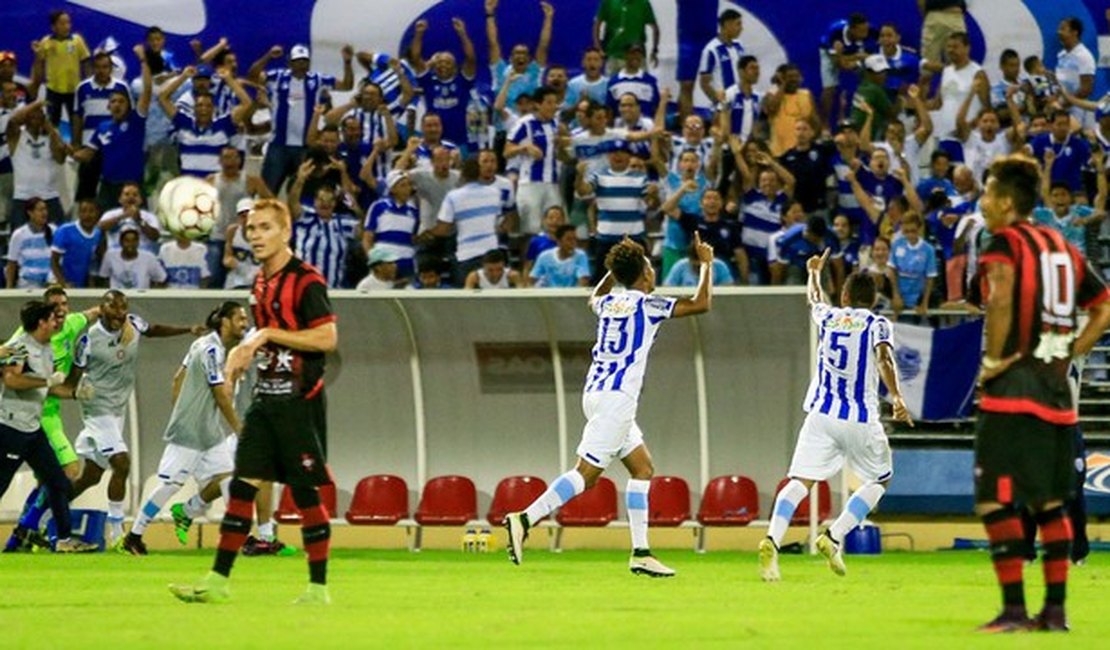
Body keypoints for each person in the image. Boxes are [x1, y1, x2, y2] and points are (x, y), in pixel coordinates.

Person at [504, 234, 715, 576]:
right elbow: (701, 303)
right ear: (646, 275)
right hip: (617, 400)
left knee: (643, 468)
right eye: (649, 267)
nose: (652, 272)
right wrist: (706, 262)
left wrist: (612, 271)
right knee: (585, 476)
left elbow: (595, 296)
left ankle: (641, 553)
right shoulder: (649, 305)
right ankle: (525, 518)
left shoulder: (609, 304)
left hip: (595, 394)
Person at [171, 198, 338, 605]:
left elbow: (326, 339)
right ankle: (216, 582)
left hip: (300, 403)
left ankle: (318, 589)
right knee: (242, 486)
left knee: (304, 494)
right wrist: (242, 358)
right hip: (265, 402)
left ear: (286, 232)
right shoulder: (260, 283)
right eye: (251, 229)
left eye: (265, 227)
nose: (256, 236)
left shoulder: (307, 281)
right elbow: (266, 338)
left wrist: (263, 337)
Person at [973, 155, 1110, 632]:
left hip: (1013, 391)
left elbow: (1003, 296)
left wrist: (993, 363)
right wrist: (1069, 354)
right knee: (1050, 503)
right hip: (1057, 393)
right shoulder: (1064, 247)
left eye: (989, 193)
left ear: (1007, 201)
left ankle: (1012, 609)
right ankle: (1055, 612)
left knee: (994, 499)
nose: (984, 201)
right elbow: (1104, 308)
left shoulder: (1005, 243)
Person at [762, 253, 912, 581]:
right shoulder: (877, 323)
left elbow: (814, 297)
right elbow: (884, 359)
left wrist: (813, 272)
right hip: (859, 417)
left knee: (800, 482)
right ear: (873, 301)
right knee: (880, 479)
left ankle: (772, 540)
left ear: (844, 297)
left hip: (820, 415)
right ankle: (834, 535)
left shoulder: (829, 317)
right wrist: (897, 397)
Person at [70, 290, 201, 544]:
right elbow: (71, 381)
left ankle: (47, 511)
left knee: (92, 476)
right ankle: (118, 531)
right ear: (102, 309)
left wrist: (188, 329)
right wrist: (74, 391)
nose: (120, 313)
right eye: (114, 308)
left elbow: (154, 329)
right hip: (97, 410)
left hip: (117, 411)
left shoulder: (133, 324)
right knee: (122, 463)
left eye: (123, 308)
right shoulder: (89, 340)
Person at [120, 302, 250, 555]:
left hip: (209, 432)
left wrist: (181, 407)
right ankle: (133, 537)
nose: (245, 324)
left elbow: (178, 377)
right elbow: (220, 395)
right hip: (191, 432)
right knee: (169, 485)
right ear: (225, 322)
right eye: (240, 319)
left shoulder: (202, 344)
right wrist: (238, 427)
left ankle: (235, 536)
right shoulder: (211, 349)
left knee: (228, 478)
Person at [2, 287, 99, 553]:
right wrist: (46, 380)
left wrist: (75, 393)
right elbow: (11, 379)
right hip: (11, 427)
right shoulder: (19, 346)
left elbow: (50, 388)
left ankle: (64, 540)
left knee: (58, 481)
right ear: (41, 322)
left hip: (33, 429)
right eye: (50, 317)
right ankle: (29, 534)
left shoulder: (46, 349)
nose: (57, 320)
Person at [249, 43, 353, 194]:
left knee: (303, 191)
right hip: (278, 144)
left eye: (305, 60)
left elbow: (346, 85)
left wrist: (347, 63)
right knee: (268, 191)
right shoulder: (277, 77)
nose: (302, 64)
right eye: (298, 60)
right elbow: (252, 76)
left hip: (306, 146)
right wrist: (268, 56)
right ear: (290, 62)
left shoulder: (318, 80)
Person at [72, 44, 152, 211]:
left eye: (121, 102)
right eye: (113, 102)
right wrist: (66, 148)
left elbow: (147, 91)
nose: (117, 105)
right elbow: (86, 155)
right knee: (104, 227)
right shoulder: (102, 128)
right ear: (108, 106)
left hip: (133, 186)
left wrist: (143, 60)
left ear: (129, 104)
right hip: (108, 187)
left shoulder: (136, 122)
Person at [423, 157, 503, 283]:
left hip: (467, 255)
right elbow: (497, 221)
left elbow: (443, 229)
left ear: (462, 174)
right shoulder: (495, 193)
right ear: (479, 173)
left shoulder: (453, 196)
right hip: (492, 253)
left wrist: (425, 233)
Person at [504, 86, 565, 239]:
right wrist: (525, 147)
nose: (553, 107)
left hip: (553, 183)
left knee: (556, 229)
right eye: (549, 103)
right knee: (531, 231)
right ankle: (528, 262)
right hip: (530, 183)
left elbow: (564, 155)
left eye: (555, 103)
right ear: (538, 104)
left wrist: (562, 145)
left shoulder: (557, 125)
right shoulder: (524, 123)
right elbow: (506, 151)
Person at [409, 18, 477, 148]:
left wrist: (462, 34)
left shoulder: (462, 81)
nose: (443, 65)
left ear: (455, 67)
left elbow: (471, 58)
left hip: (459, 141)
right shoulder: (428, 81)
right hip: (434, 142)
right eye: (439, 62)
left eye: (447, 62)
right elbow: (416, 58)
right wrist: (419, 34)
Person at [73, 52, 132, 201]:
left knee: (115, 190)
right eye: (98, 67)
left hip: (114, 148)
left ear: (111, 68)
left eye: (105, 67)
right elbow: (78, 117)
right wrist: (76, 144)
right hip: (89, 149)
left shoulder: (121, 87)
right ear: (93, 68)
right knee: (87, 194)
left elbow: (129, 117)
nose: (101, 70)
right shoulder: (82, 88)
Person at [6, 99, 66, 227]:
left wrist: (49, 128)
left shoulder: (51, 136)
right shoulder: (16, 136)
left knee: (56, 239)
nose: (36, 118)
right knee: (20, 240)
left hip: (49, 196)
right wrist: (37, 103)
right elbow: (13, 120)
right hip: (23, 197)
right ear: (25, 118)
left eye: (39, 115)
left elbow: (61, 158)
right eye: (32, 115)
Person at [33, 10, 90, 125]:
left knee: (76, 121)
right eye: (62, 23)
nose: (66, 26)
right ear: (53, 26)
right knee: (52, 123)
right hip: (53, 90)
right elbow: (40, 64)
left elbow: (86, 62)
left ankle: (76, 143)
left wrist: (89, 83)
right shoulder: (46, 42)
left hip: (73, 89)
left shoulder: (77, 40)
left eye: (68, 23)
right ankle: (53, 143)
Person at [594, 0, 659, 73]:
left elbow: (655, 28)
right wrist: (598, 48)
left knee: (641, 83)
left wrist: (654, 50)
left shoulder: (643, 3)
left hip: (637, 56)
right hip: (614, 54)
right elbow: (597, 25)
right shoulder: (608, 2)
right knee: (612, 83)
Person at [50, 199, 102, 288]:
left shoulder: (97, 234)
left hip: (79, 285)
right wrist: (63, 284)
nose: (87, 215)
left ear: (97, 213)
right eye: (83, 211)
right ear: (78, 213)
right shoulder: (65, 230)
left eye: (91, 211)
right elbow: (54, 261)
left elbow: (91, 263)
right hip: (58, 283)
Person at [1054, 17, 1096, 128]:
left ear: (1074, 32)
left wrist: (1063, 103)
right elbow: (1060, 82)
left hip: (1079, 111)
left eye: (1063, 29)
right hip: (1062, 109)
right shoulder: (1061, 55)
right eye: (1059, 29)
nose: (1059, 32)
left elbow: (1086, 89)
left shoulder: (1083, 56)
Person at [697, 9, 745, 106]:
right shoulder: (711, 50)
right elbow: (704, 84)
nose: (741, 28)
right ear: (727, 25)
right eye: (738, 24)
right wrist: (719, 104)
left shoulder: (739, 46)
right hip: (724, 106)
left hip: (740, 103)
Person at [97, 226, 167, 290]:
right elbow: (104, 278)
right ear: (120, 242)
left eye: (134, 240)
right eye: (127, 241)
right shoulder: (110, 255)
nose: (131, 244)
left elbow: (162, 279)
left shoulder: (149, 257)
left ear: (138, 242)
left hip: (141, 299)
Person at [6, 198, 54, 289]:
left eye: (45, 209)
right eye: (40, 210)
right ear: (30, 212)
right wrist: (9, 287)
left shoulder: (54, 230)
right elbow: (11, 263)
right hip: (28, 283)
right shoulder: (19, 234)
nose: (44, 213)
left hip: (51, 283)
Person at [223, 198, 261, 289]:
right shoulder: (233, 231)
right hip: (236, 280)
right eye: (242, 216)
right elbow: (226, 257)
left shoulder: (263, 233)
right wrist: (229, 261)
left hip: (257, 280)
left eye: (248, 215)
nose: (246, 219)